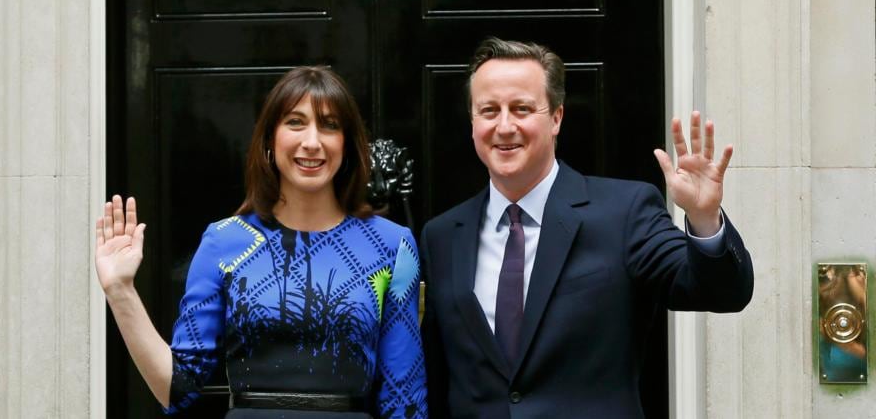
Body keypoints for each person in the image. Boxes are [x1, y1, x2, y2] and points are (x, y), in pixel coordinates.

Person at [420, 37, 754, 418]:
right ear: (473, 121)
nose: (505, 125)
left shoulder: (624, 212)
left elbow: (722, 293)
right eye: (489, 110)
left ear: (557, 117)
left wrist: (705, 218)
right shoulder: (443, 236)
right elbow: (437, 374)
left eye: (522, 108)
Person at [95, 66, 427, 418]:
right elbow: (177, 390)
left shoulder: (391, 245)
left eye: (330, 125)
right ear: (270, 139)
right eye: (295, 122)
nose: (312, 141)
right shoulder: (223, 241)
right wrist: (121, 291)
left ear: (347, 142)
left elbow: (405, 399)